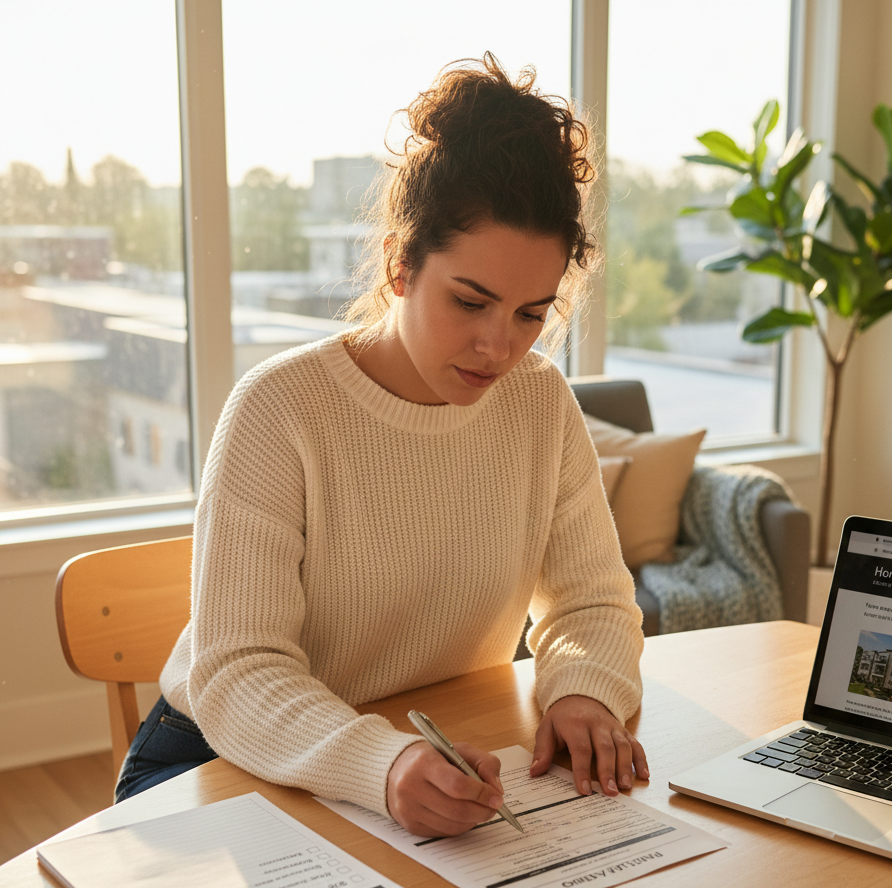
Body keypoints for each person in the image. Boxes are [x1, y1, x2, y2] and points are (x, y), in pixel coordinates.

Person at [115, 54, 647, 837]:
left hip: (431, 744)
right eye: (471, 301)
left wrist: (584, 688)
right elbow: (236, 671)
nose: (499, 347)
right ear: (401, 265)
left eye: (532, 313)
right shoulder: (278, 409)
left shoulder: (539, 403)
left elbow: (591, 600)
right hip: (225, 753)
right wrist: (381, 764)